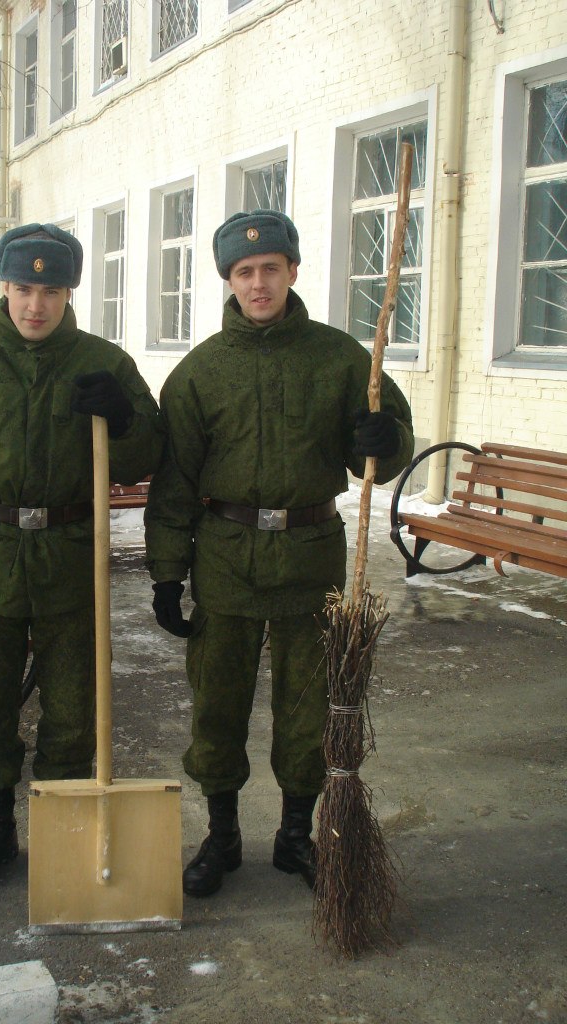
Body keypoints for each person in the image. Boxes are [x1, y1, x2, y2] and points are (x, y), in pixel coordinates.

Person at [144, 209, 414, 898]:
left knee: (308, 706)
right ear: (228, 280)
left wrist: (385, 439)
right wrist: (167, 574)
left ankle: (296, 837)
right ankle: (222, 836)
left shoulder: (341, 359)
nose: (258, 283)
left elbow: (382, 445)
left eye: (270, 268)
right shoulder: (201, 372)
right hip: (226, 559)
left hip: (311, 557)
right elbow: (174, 483)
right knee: (217, 706)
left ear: (293, 270)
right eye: (244, 272)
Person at [0, 224, 164, 892]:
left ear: (69, 292)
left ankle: (61, 828)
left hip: (72, 564)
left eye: (51, 291)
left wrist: (125, 421)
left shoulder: (103, 364)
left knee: (75, 710)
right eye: (23, 288)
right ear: (3, 286)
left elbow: (146, 458)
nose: (35, 305)